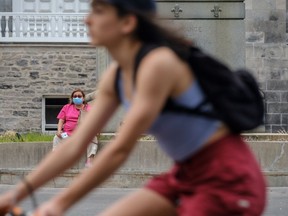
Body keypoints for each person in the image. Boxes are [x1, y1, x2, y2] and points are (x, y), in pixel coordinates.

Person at [0, 0, 266, 215]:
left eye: (99, 10)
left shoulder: (158, 64)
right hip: (183, 173)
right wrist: (15, 194)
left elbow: (119, 149)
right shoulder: (115, 75)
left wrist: (60, 203)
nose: (86, 19)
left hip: (229, 179)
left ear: (127, 22)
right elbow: (76, 143)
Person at [53, 89, 98, 167]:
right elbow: (61, 120)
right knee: (57, 138)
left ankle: (90, 161)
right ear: (72, 98)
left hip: (84, 135)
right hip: (68, 134)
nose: (77, 98)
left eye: (79, 96)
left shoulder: (89, 108)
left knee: (93, 138)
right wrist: (59, 131)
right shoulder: (67, 107)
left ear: (83, 98)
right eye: (75, 96)